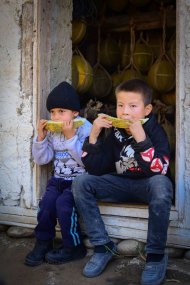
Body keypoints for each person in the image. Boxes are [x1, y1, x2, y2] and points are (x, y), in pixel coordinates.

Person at [72, 79, 173, 285]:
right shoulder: (115, 133)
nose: (125, 112)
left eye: (133, 106)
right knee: (81, 183)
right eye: (120, 105)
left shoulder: (156, 132)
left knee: (161, 185)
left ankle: (155, 255)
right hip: (119, 184)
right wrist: (94, 135)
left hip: (147, 186)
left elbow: (159, 169)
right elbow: (96, 168)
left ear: (147, 110)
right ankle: (103, 246)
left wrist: (142, 139)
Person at [25, 81, 92, 266]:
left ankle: (74, 247)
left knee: (64, 206)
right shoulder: (53, 132)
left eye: (61, 111)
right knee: (46, 205)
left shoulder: (85, 129)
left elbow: (86, 161)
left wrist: (70, 136)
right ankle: (43, 242)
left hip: (78, 182)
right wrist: (41, 137)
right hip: (58, 179)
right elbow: (42, 159)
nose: (55, 116)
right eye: (52, 112)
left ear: (75, 113)